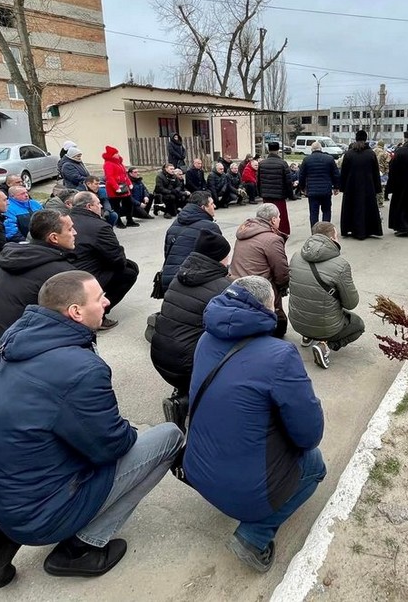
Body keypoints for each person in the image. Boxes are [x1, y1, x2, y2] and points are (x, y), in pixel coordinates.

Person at [0, 271, 184, 588]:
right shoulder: (80, 369)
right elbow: (112, 446)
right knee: (169, 438)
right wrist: (124, 430)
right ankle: (80, 548)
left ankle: (6, 536)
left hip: (4, 496)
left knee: (56, 440)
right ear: (75, 312)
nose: (107, 302)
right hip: (40, 509)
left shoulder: (17, 337)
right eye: (99, 298)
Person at [184, 276, 325, 573]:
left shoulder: (205, 339)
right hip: (244, 491)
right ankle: (255, 535)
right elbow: (309, 435)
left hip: (197, 470)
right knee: (314, 464)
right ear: (269, 307)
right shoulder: (279, 355)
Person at [0, 210, 77, 370]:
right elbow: (74, 321)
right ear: (54, 238)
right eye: (70, 229)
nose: (75, 233)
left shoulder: (17, 257)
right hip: (20, 358)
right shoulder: (59, 272)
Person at [151, 230, 231, 400]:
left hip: (160, 355)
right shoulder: (221, 287)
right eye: (226, 256)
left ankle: (183, 391)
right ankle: (192, 399)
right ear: (218, 258)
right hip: (185, 364)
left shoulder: (180, 275)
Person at [288, 222, 364, 369]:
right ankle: (325, 345)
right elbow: (351, 303)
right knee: (358, 325)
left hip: (297, 322)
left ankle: (307, 336)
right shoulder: (340, 265)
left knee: (309, 297)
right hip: (324, 327)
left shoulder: (296, 257)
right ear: (332, 238)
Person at [68, 192, 139, 330]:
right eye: (98, 203)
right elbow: (117, 259)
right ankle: (97, 314)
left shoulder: (66, 219)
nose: (101, 206)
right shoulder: (100, 226)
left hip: (66, 269)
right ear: (89, 206)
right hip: (84, 275)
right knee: (129, 271)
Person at [229, 203, 290, 338]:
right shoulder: (272, 239)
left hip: (237, 282)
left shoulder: (244, 232)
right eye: (279, 217)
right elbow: (281, 272)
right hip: (258, 287)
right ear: (273, 220)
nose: (280, 219)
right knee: (279, 325)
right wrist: (283, 287)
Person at [161, 191, 221, 291]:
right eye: (212, 204)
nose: (214, 206)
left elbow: (167, 253)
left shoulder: (176, 223)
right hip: (188, 280)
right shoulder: (210, 227)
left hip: (167, 279)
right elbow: (217, 259)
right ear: (203, 208)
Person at [339, 130, 383, 240]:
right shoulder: (371, 154)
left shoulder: (349, 154)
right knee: (366, 208)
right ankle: (366, 230)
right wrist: (377, 188)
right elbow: (375, 173)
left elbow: (344, 172)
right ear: (365, 139)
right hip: (368, 186)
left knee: (352, 208)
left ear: (356, 139)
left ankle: (351, 228)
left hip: (351, 187)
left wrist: (342, 187)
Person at [298, 141, 341, 230]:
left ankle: (315, 232)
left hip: (312, 191)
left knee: (313, 213)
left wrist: (302, 188)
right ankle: (326, 231)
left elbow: (301, 175)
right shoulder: (329, 159)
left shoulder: (307, 160)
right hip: (326, 190)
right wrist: (336, 187)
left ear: (311, 149)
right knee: (326, 211)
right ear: (321, 149)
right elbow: (335, 174)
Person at [257, 142, 294, 236]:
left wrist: (260, 192)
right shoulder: (282, 163)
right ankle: (282, 232)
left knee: (266, 214)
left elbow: (258, 180)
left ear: (268, 150)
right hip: (279, 195)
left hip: (266, 194)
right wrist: (290, 195)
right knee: (280, 215)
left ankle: (267, 231)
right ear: (278, 150)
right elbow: (288, 181)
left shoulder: (262, 163)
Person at [102, 146, 138, 227]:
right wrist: (116, 187)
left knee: (129, 204)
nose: (117, 155)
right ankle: (118, 222)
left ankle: (129, 220)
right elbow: (109, 177)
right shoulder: (108, 164)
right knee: (116, 206)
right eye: (115, 153)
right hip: (113, 188)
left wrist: (129, 183)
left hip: (123, 186)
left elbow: (125, 175)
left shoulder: (120, 163)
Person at [373, 140, 391, 208]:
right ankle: (380, 202)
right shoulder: (385, 153)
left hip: (373, 172)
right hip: (382, 172)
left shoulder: (372, 152)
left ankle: (373, 201)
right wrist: (387, 171)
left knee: (373, 187)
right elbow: (387, 163)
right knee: (381, 188)